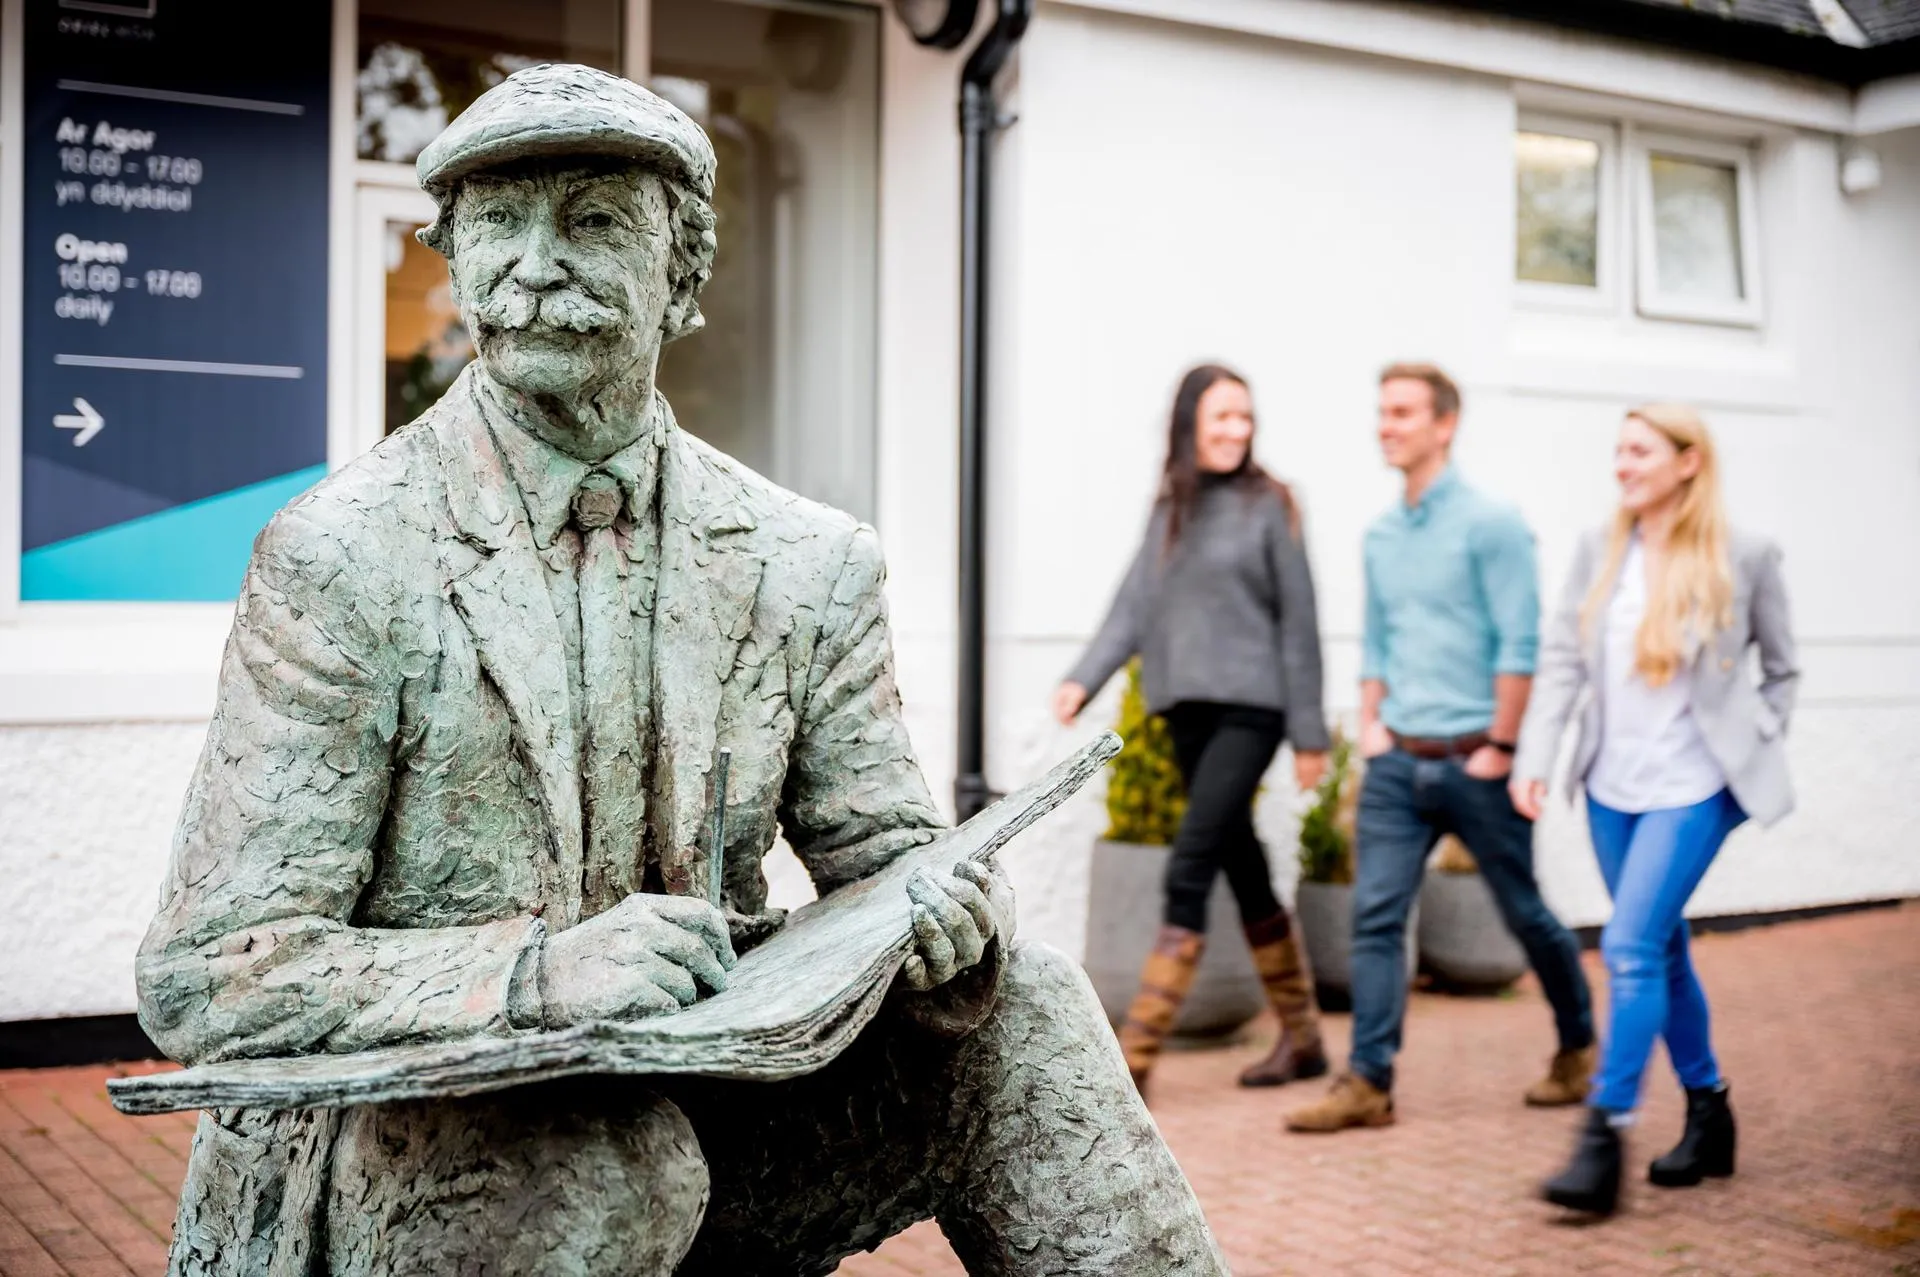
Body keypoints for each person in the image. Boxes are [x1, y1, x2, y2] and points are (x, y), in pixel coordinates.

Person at [134, 66, 1228, 1277]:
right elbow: (212, 970)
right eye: (500, 221)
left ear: (685, 276)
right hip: (418, 1139)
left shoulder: (807, 559)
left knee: (1032, 1010)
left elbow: (889, 854)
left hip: (719, 1101)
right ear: (454, 261)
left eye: (594, 220)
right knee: (612, 1163)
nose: (537, 261)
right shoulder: (345, 556)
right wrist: (538, 974)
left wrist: (949, 918)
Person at [1286, 362, 1596, 1134]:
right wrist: (1373, 727)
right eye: (1381, 411)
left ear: (1444, 424)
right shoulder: (1382, 534)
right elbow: (1379, 641)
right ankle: (1367, 1081)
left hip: (1476, 760)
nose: (1385, 425)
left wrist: (1501, 745)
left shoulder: (1492, 522)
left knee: (1524, 911)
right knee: (1376, 916)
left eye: (1401, 412)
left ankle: (1578, 1045)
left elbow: (1521, 641)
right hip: (1399, 761)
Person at [1517, 404, 1797, 1216]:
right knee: (1664, 948)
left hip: (1695, 787)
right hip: (1611, 784)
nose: (1623, 463)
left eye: (1639, 450)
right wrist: (1537, 759)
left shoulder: (1744, 554)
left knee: (1631, 946)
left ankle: (1603, 1135)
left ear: (1686, 461)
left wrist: (1755, 739)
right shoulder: (1600, 549)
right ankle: (1710, 1111)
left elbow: (1782, 670)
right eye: (1618, 450)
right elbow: (1563, 664)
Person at [1054, 363, 1331, 1094]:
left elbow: (1299, 620)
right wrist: (1085, 677)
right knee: (1243, 865)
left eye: (1245, 417)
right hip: (1185, 712)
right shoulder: (1170, 506)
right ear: (1189, 425)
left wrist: (1309, 734)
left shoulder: (1271, 504)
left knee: (1191, 864)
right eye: (1222, 418)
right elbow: (1133, 604)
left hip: (1253, 708)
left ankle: (1134, 1057)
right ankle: (1304, 1040)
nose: (1237, 430)